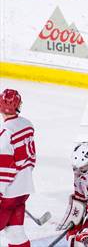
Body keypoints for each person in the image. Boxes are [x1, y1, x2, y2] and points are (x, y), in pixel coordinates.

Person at [0, 89, 35, 247]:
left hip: (8, 194)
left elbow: (5, 169)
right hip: (24, 189)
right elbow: (31, 158)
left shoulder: (6, 132)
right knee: (15, 233)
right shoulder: (27, 125)